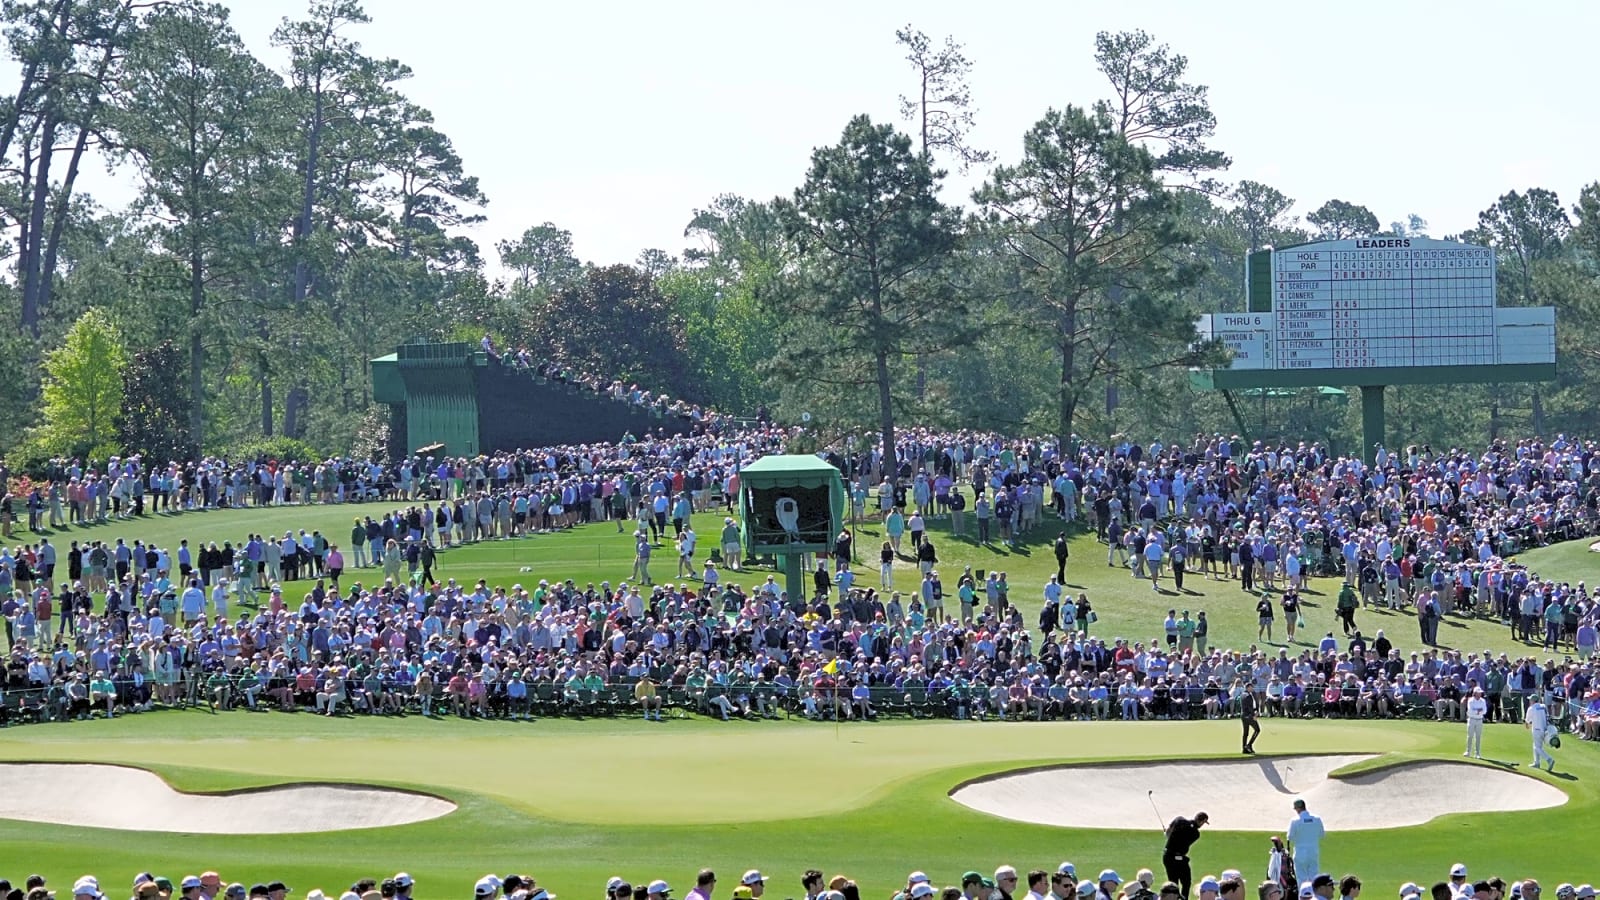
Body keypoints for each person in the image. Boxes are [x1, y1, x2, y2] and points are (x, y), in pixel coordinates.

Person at [1163, 810, 1209, 900]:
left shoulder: (1179, 819)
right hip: (1179, 858)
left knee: (1173, 883)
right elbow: (1183, 841)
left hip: (1168, 856)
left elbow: (1168, 833)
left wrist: (1166, 834)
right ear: (1202, 822)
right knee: (1186, 882)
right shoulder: (1196, 834)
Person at [1285, 799, 1324, 881]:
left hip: (1300, 852)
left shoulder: (1295, 821)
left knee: (1301, 877)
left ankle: (1303, 890)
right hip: (1313, 851)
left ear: (1298, 809)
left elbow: (1290, 837)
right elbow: (1321, 834)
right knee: (1314, 877)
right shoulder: (1317, 819)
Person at [1527, 695, 1556, 772]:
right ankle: (1536, 763)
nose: (1529, 701)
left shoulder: (1531, 708)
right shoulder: (1543, 706)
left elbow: (1527, 721)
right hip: (1545, 730)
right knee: (1536, 746)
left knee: (1537, 747)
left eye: (1530, 700)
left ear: (1533, 701)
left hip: (1536, 730)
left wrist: (1527, 725)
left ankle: (1549, 759)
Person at [1464, 686, 1487, 759]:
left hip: (1479, 720)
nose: (1480, 694)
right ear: (1475, 693)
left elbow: (1484, 711)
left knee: (1478, 737)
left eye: (1480, 693)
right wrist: (1478, 711)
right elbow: (1470, 711)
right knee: (1470, 736)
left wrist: (1477, 711)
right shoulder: (1470, 700)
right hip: (1471, 720)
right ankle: (1468, 751)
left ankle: (1477, 753)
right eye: (1478, 693)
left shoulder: (1483, 701)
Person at [1240, 689, 1260, 754]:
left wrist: (1255, 711)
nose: (1252, 688)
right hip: (1249, 716)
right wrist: (1253, 715)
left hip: (1243, 715)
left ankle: (1244, 748)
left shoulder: (1242, 694)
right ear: (1248, 687)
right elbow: (1249, 707)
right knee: (1257, 730)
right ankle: (1249, 745)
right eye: (1251, 687)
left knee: (1245, 733)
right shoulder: (1248, 695)